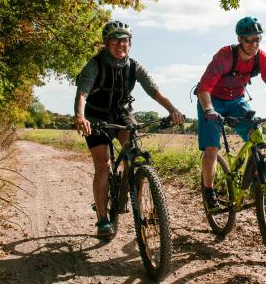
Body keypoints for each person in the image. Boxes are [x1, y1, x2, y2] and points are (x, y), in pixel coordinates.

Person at [74, 21, 184, 238]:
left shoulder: (134, 66)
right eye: (115, 40)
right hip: (96, 115)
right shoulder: (95, 64)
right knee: (103, 165)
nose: (120, 44)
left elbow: (154, 91)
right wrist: (80, 116)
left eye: (124, 40)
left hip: (122, 113)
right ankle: (103, 219)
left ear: (130, 43)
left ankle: (140, 196)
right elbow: (82, 93)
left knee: (135, 154)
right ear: (106, 43)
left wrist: (173, 109)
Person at [195, 16, 266, 208]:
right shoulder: (225, 56)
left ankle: (254, 183)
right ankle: (209, 191)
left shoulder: (262, 59)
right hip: (211, 101)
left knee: (257, 139)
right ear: (239, 39)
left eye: (258, 39)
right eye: (249, 40)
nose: (254, 44)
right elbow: (204, 87)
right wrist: (209, 109)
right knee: (212, 148)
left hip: (236, 101)